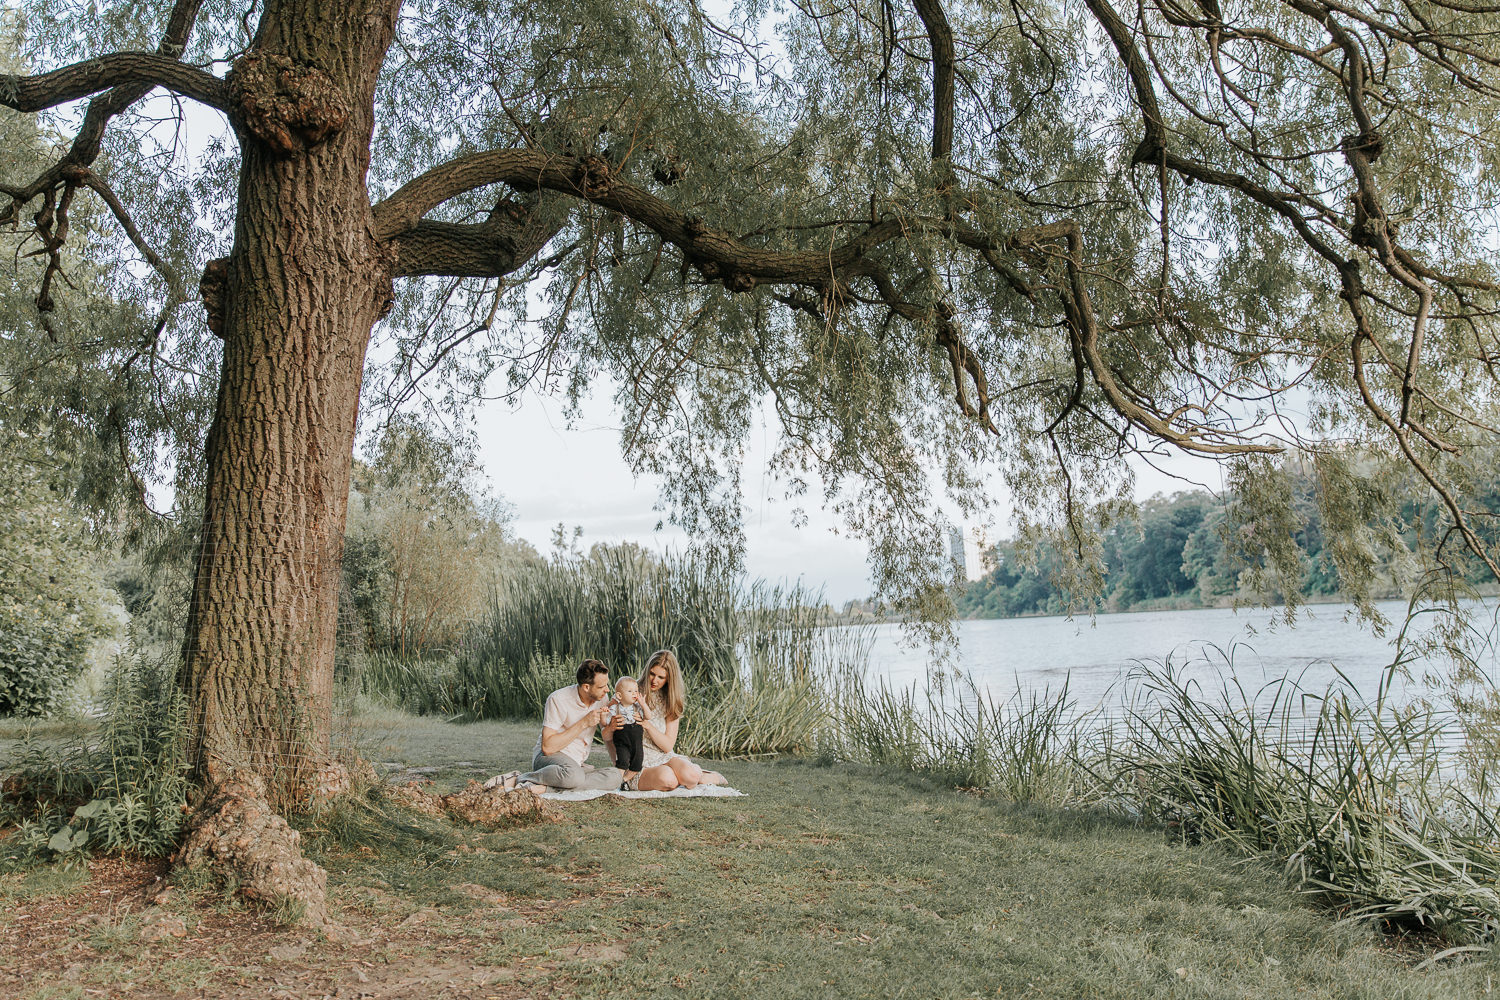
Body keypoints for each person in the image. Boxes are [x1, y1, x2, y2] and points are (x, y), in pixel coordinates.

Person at [511, 658, 623, 792]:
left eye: (606, 685)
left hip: (574, 765)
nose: (607, 690)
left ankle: (548, 787)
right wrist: (584, 723)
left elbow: (606, 736)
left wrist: (611, 729)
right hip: (547, 758)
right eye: (601, 687)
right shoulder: (558, 699)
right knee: (574, 776)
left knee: (616, 776)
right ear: (586, 687)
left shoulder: (602, 699)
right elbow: (547, 747)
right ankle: (525, 778)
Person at [626, 649, 728, 792]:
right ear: (647, 670)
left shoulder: (671, 699)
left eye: (661, 677)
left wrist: (647, 725)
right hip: (639, 761)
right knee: (668, 780)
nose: (655, 680)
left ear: (669, 679)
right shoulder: (631, 691)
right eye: (652, 674)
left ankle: (700, 775)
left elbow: (667, 746)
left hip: (663, 755)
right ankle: (681, 776)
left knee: (691, 776)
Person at [605, 676, 646, 790]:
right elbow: (605, 723)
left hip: (636, 742)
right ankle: (616, 781)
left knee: (637, 764)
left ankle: (623, 780)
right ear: (619, 696)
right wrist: (604, 716)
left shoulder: (638, 708)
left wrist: (643, 704)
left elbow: (648, 716)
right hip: (622, 741)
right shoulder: (614, 708)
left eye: (636, 691)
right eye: (630, 691)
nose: (634, 693)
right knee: (622, 762)